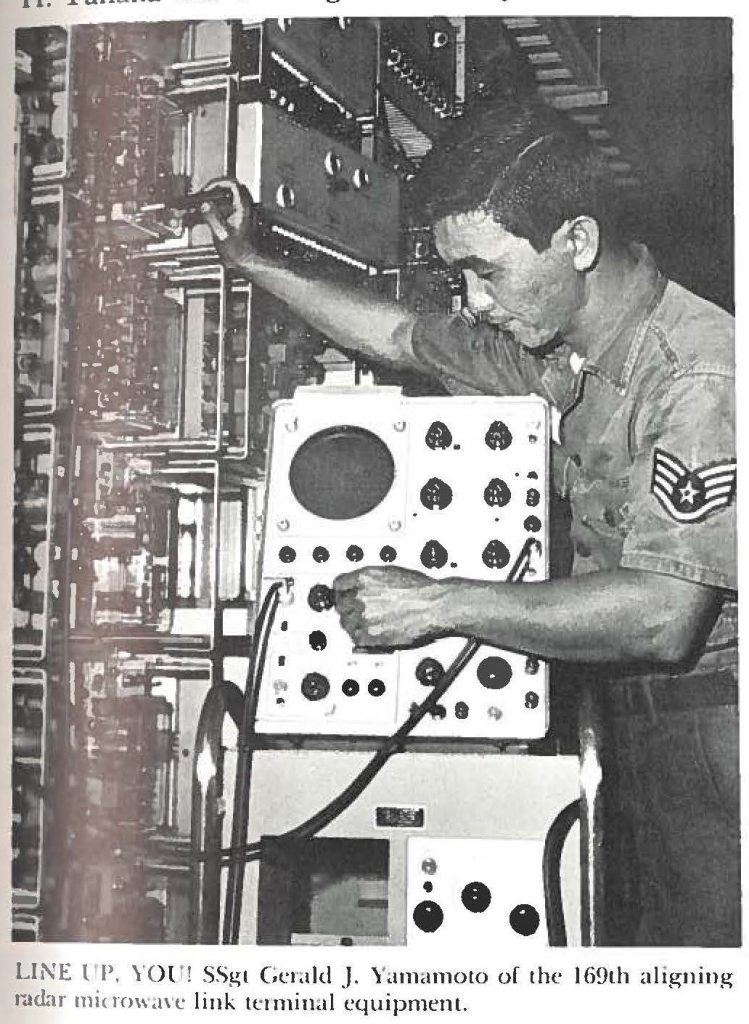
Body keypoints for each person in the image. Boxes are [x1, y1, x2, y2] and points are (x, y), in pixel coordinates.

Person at [201, 95, 738, 946]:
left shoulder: (698, 374)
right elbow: (404, 336)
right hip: (620, 722)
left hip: (715, 735)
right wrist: (252, 258)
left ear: (578, 243)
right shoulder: (551, 345)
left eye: (486, 271)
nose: (474, 301)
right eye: (462, 277)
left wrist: (439, 603)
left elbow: (664, 616)